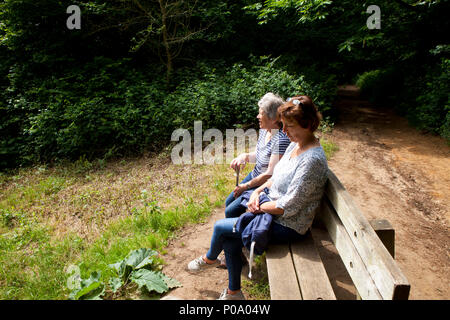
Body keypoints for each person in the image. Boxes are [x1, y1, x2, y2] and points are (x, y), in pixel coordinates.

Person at [187, 95, 329, 300]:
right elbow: (276, 175)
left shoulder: (312, 160)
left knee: (221, 228)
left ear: (307, 125)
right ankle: (234, 292)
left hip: (289, 224)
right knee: (228, 235)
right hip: (272, 208)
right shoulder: (296, 144)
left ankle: (209, 260)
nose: (283, 130)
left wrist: (259, 206)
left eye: (289, 125)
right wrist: (257, 192)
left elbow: (287, 206)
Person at [226, 92, 290, 219]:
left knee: (230, 211)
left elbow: (270, 173)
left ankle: (234, 233)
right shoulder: (264, 131)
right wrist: (244, 156)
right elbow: (259, 155)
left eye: (261, 113)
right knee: (229, 202)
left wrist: (246, 186)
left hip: (265, 185)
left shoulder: (281, 140)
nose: (257, 116)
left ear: (273, 119)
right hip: (255, 176)